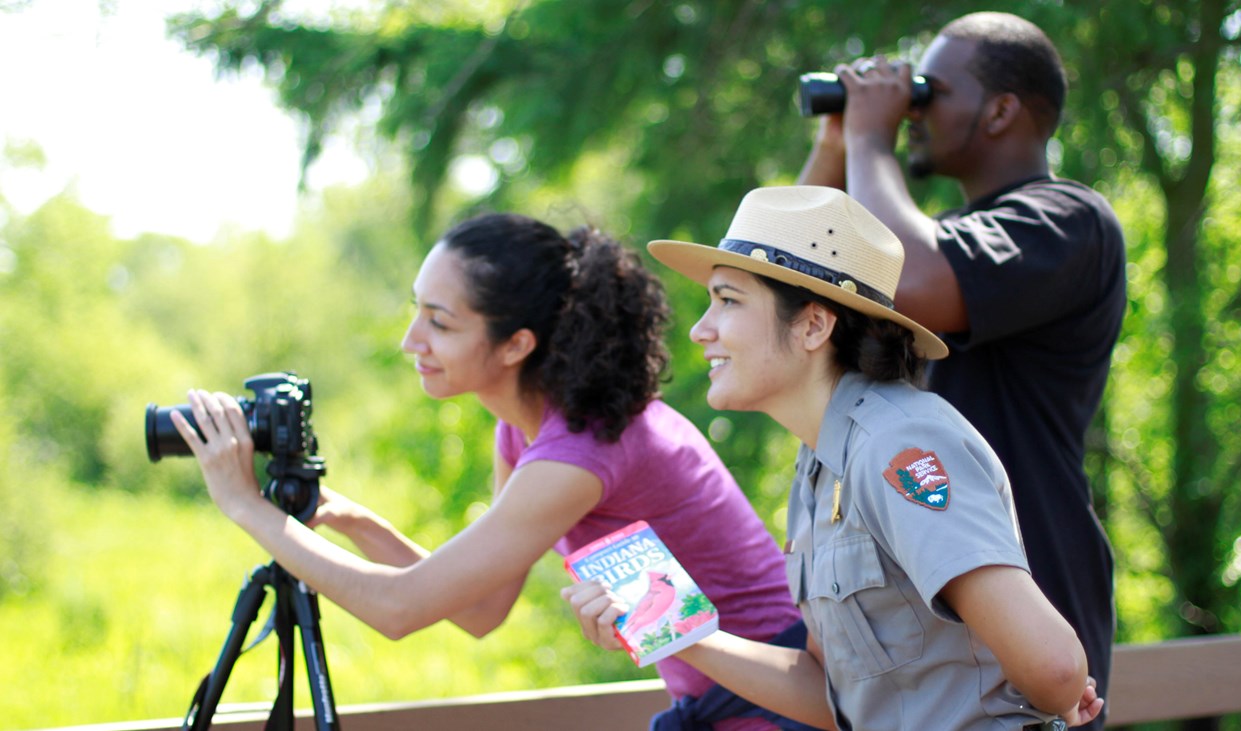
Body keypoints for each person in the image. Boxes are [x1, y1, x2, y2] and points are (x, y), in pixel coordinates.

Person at [170, 211, 808, 730]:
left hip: (779, 708)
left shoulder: (581, 450)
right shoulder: (528, 428)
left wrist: (243, 503)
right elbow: (483, 609)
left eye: (440, 323)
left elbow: (399, 611)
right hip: (726, 707)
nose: (411, 340)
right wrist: (349, 518)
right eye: (417, 309)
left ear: (515, 345)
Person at [565, 185, 1105, 729]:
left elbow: (1056, 669)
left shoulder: (899, 445)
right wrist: (672, 631)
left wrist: (1053, 693)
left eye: (728, 300)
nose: (700, 329)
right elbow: (833, 698)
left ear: (813, 325)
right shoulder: (820, 465)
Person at [796, 12, 1126, 725]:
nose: (911, 108)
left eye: (929, 90)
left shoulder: (1067, 219)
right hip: (928, 613)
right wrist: (837, 141)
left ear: (1002, 109)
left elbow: (913, 280)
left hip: (1029, 595)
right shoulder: (934, 235)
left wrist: (869, 137)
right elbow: (788, 282)